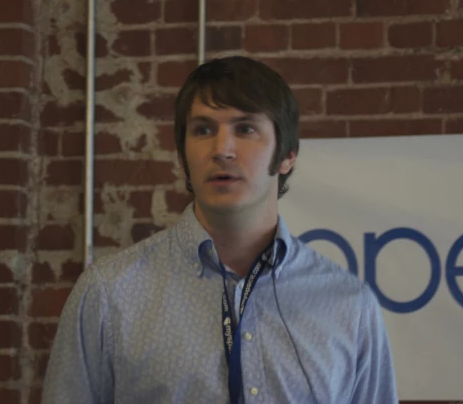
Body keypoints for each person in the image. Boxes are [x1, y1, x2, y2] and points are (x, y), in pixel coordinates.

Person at [42, 55, 398, 404]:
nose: (222, 149)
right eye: (203, 130)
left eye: (245, 129)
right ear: (182, 157)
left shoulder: (349, 305)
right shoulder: (109, 294)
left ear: (288, 154)